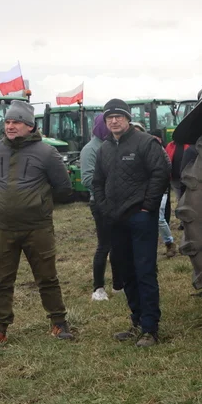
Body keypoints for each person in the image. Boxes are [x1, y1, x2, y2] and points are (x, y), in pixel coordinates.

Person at [92, 99, 170, 347]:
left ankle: (150, 328)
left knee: (144, 270)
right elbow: (97, 181)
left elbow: (161, 173)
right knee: (126, 272)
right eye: (109, 118)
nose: (114, 121)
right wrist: (104, 208)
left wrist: (147, 206)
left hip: (140, 217)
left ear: (127, 118)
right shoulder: (104, 149)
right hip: (116, 220)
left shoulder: (145, 142)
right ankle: (136, 320)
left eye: (118, 116)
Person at [0, 101, 75, 343]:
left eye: (16, 122)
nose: (10, 126)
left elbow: (64, 188)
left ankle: (58, 322)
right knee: (1, 280)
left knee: (47, 277)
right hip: (3, 228)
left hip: (37, 228)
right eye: (8, 122)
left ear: (30, 126)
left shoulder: (46, 152)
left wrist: (38, 203)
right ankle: (0, 329)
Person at [80, 113, 115, 300]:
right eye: (107, 123)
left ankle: (118, 285)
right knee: (104, 246)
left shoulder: (111, 145)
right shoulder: (90, 149)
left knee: (118, 245)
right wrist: (113, 184)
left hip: (117, 203)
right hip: (100, 204)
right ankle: (98, 288)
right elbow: (87, 179)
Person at [150, 130, 177, 258]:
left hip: (161, 190)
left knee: (159, 218)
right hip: (145, 190)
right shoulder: (143, 151)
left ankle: (169, 243)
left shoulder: (161, 151)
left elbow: (167, 170)